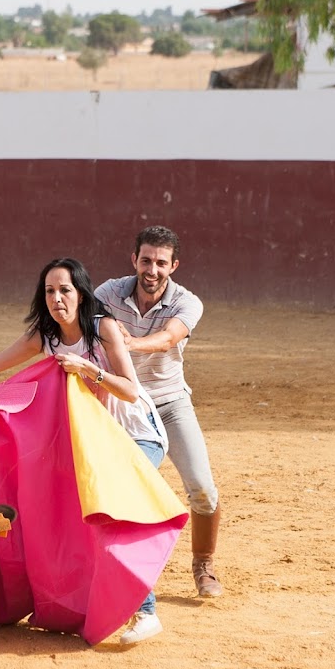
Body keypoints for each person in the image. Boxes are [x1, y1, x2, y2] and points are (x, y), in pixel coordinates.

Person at [0, 257, 170, 645]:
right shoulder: (45, 336)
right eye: (49, 291)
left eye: (65, 290)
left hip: (135, 433)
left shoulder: (104, 329)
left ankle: (146, 610)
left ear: (82, 294)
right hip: (89, 439)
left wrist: (86, 370)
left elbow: (131, 391)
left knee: (116, 509)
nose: (57, 299)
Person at [95, 225, 222, 599]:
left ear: (174, 266)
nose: (152, 269)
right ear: (134, 259)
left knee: (201, 487)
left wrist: (127, 341)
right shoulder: (107, 293)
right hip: (123, 405)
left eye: (161, 263)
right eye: (146, 260)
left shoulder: (188, 302)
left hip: (169, 403)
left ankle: (204, 563)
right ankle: (117, 567)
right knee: (125, 488)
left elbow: (169, 338)